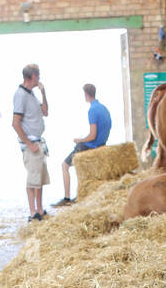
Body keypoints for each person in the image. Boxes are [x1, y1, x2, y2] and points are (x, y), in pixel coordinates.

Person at [54, 83, 112, 207]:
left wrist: (79, 140)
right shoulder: (103, 108)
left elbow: (92, 135)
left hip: (90, 146)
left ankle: (67, 198)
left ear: (85, 94)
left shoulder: (92, 110)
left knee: (64, 166)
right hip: (102, 144)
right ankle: (81, 195)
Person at [12, 63, 50, 222]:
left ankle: (40, 209)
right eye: (38, 75)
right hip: (31, 144)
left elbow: (45, 112)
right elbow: (15, 123)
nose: (39, 78)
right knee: (32, 178)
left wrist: (43, 93)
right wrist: (28, 143)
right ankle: (33, 211)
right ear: (33, 76)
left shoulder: (32, 94)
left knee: (39, 179)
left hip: (38, 142)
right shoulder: (20, 95)